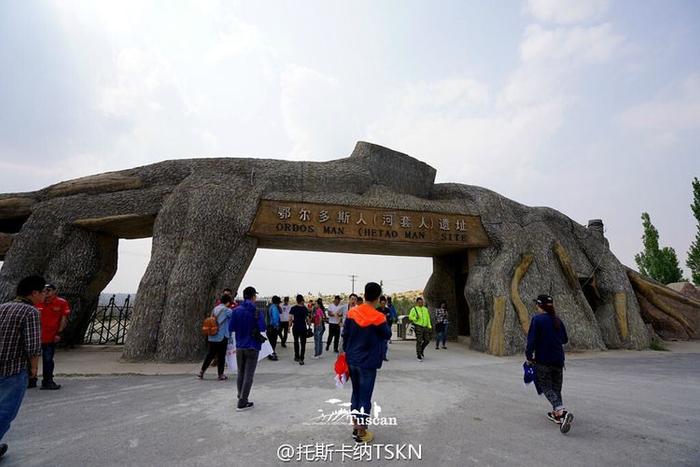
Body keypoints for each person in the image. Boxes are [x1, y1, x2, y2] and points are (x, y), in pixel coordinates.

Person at [0, 275, 45, 459]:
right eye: (42, 292)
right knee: (5, 410)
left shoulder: (2, 307)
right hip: (13, 369)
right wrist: (34, 369)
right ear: (34, 293)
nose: (44, 295)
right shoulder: (30, 312)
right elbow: (33, 346)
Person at [342, 282, 391, 444]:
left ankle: (356, 427)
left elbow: (346, 334)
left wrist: (346, 353)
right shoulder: (378, 317)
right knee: (365, 397)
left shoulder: (352, 312)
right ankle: (362, 433)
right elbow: (387, 334)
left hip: (352, 360)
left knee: (356, 393)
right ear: (378, 297)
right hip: (368, 362)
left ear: (364, 294)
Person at [526, 294, 574, 434]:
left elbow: (531, 341)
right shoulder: (557, 320)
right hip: (558, 360)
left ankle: (561, 411)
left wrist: (529, 357)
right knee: (556, 388)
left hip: (543, 360)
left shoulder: (537, 320)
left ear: (539, 305)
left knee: (546, 387)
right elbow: (564, 339)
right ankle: (557, 415)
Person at [229, 286, 266, 411]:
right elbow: (262, 328)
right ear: (253, 296)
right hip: (253, 346)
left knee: (241, 372)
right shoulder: (256, 311)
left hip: (240, 345)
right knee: (249, 375)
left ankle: (240, 395)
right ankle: (243, 401)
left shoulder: (236, 310)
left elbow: (231, 328)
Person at [33, 283, 71, 390]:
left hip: (51, 335)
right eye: (44, 291)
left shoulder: (61, 303)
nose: (46, 293)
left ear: (55, 291)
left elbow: (64, 319)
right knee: (31, 358)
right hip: (35, 336)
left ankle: (47, 380)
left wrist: (59, 333)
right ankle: (31, 379)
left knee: (48, 359)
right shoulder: (37, 302)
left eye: (48, 290)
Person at [198, 294, 233, 380]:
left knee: (210, 355)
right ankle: (220, 374)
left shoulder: (215, 309)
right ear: (228, 302)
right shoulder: (226, 310)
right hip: (222, 336)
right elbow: (233, 315)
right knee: (221, 356)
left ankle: (202, 371)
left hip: (212, 335)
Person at [409, 297, 432, 361]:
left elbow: (428, 318)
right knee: (419, 340)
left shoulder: (425, 309)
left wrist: (429, 326)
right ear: (417, 303)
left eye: (422, 302)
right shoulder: (414, 309)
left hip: (425, 327)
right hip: (418, 326)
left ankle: (421, 350)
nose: (421, 303)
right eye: (419, 302)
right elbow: (410, 317)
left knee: (427, 340)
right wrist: (415, 318)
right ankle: (418, 355)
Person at [288, 294, 309, 365]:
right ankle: (301, 358)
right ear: (302, 300)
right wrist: (309, 325)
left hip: (295, 328)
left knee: (296, 342)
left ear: (297, 300)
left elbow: (290, 319)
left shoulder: (293, 308)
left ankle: (296, 356)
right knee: (303, 344)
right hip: (303, 328)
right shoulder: (305, 309)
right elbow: (308, 319)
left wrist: (288, 327)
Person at [266, 296, 281, 361]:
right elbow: (275, 318)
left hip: (269, 326)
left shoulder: (270, 306)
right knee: (273, 341)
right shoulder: (274, 308)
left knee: (270, 341)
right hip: (273, 327)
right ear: (277, 302)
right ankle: (271, 354)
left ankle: (270, 353)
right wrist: (277, 326)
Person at [376, 296, 391, 361]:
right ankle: (378, 355)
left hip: (385, 327)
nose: (383, 304)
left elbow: (390, 318)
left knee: (385, 343)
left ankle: (384, 356)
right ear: (380, 303)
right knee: (379, 343)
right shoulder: (377, 310)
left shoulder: (388, 310)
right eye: (382, 303)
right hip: (378, 327)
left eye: (384, 303)